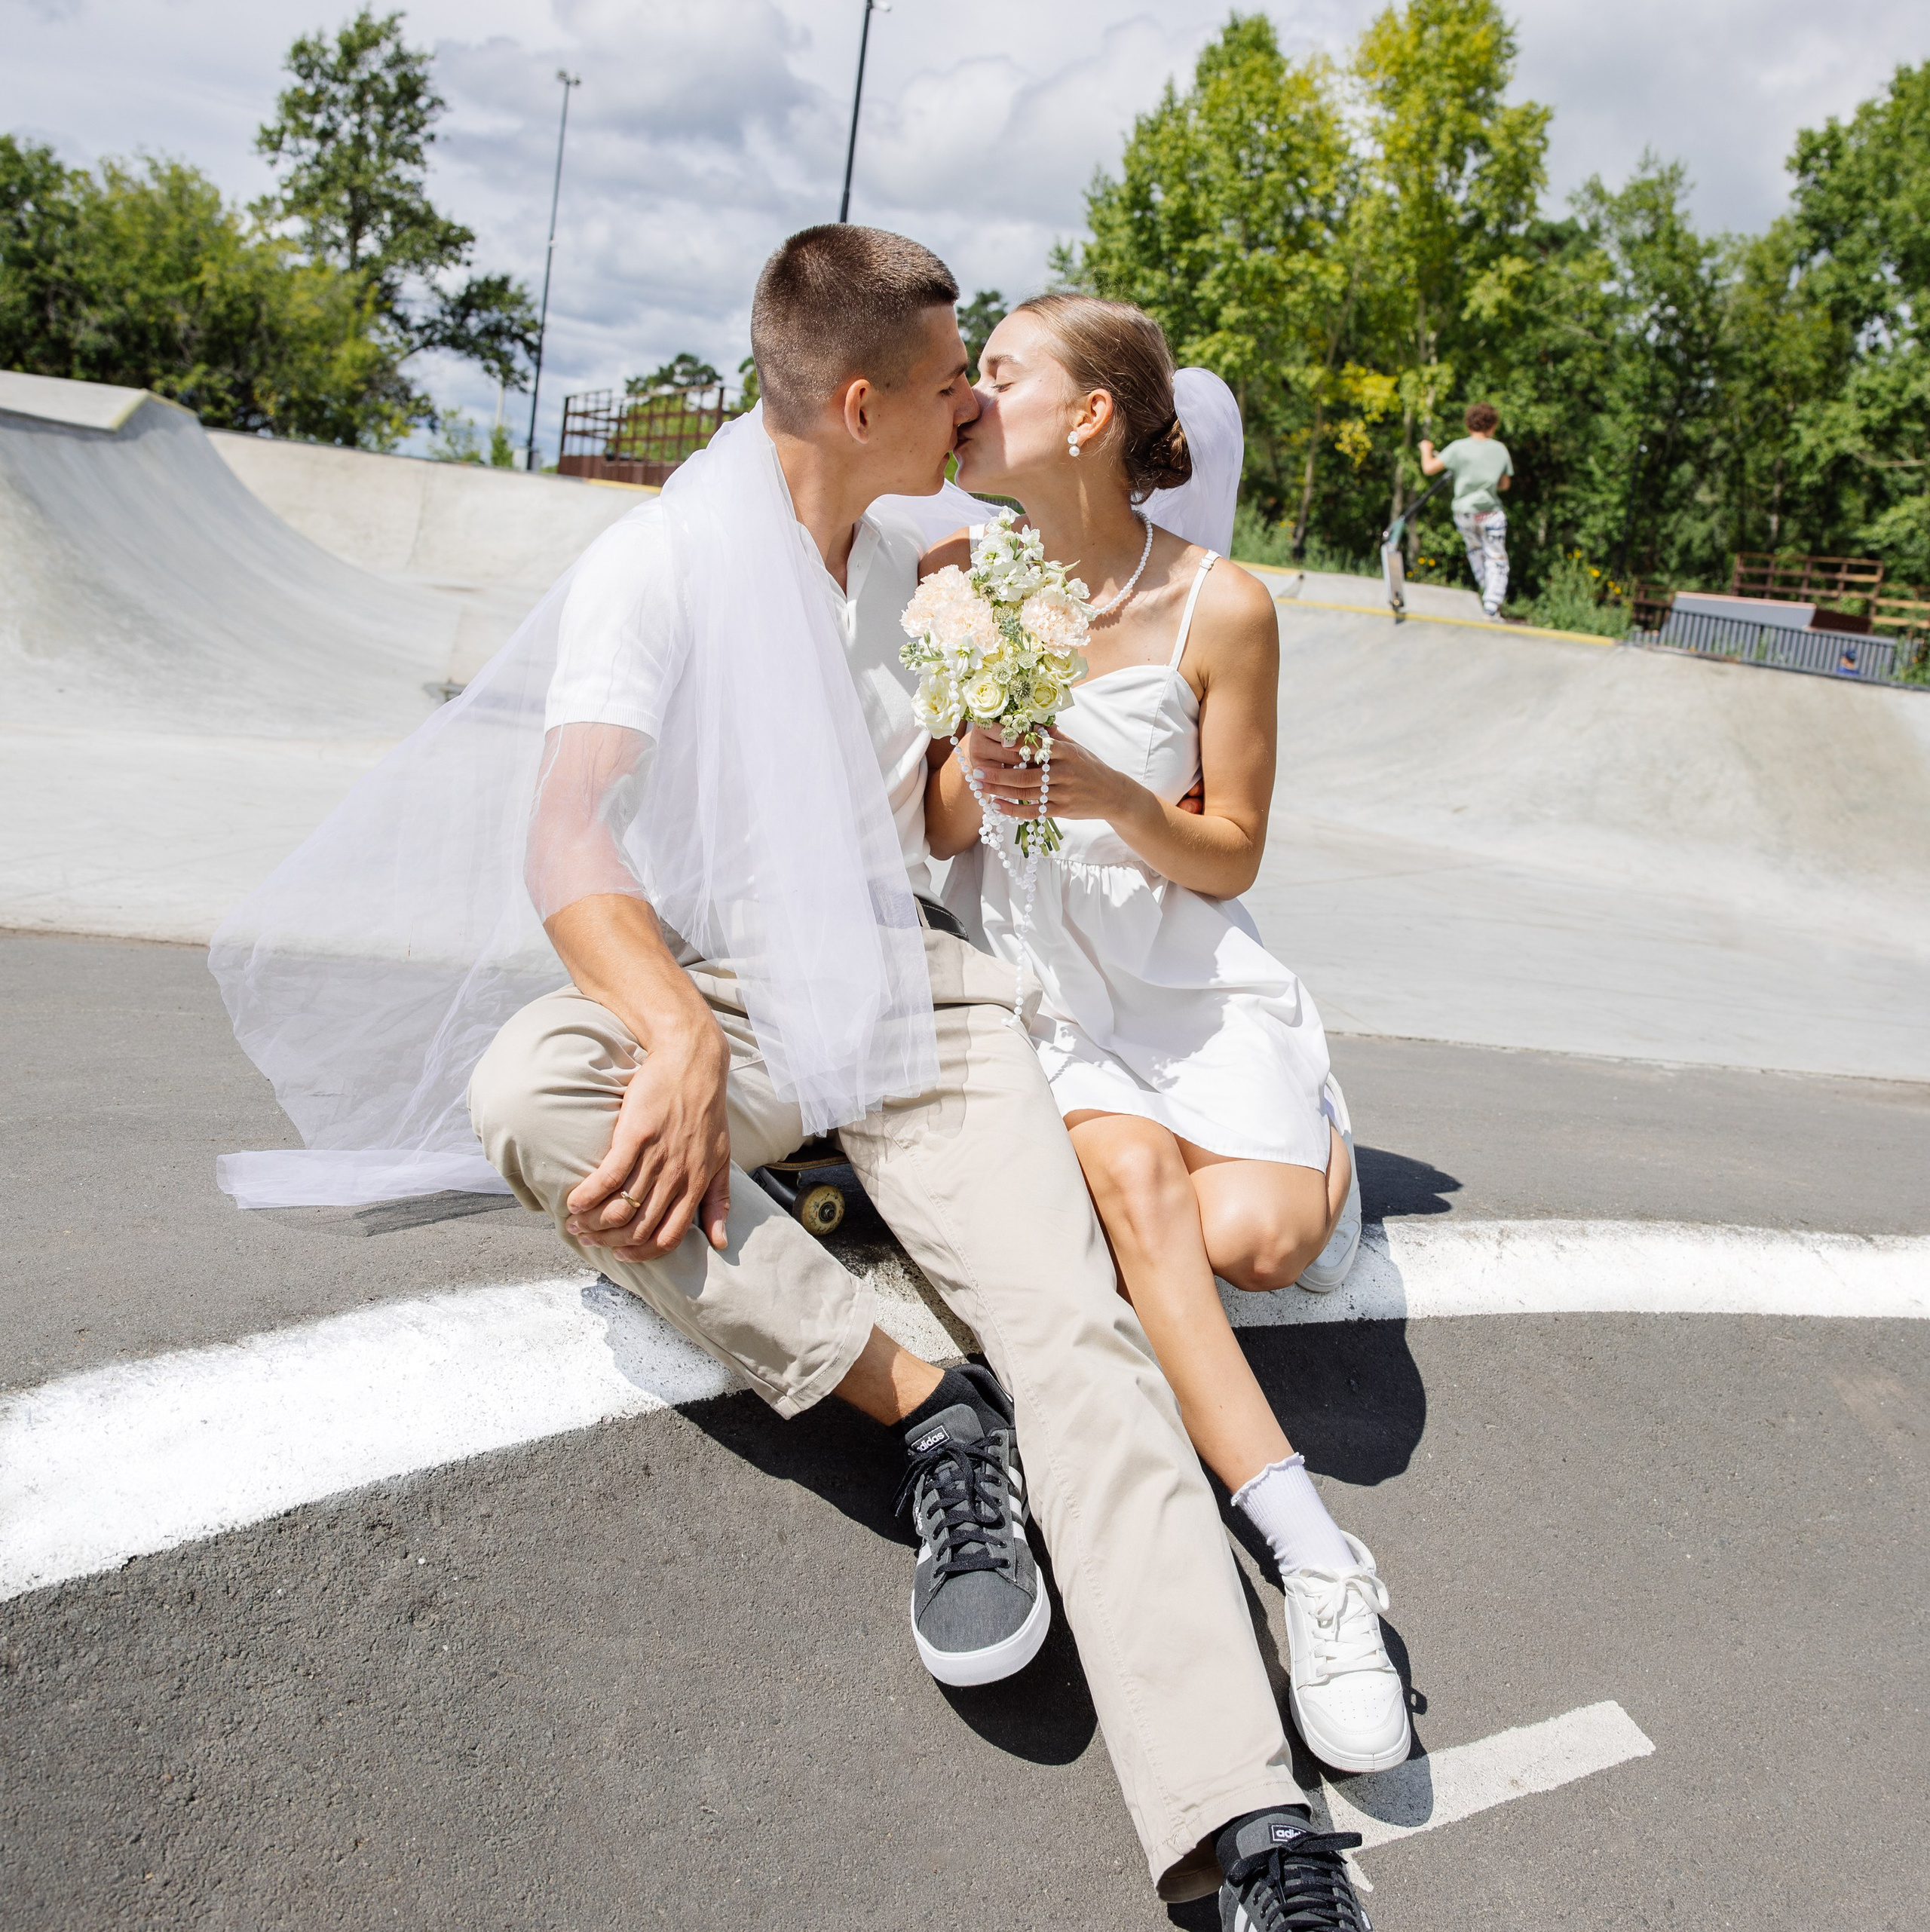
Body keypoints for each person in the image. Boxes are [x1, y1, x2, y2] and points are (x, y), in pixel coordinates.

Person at [448, 231, 1374, 1927]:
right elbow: (564, 830)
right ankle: (923, 1407)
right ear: (864, 399)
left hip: (912, 988)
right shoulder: (656, 566)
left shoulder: (951, 553)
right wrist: (670, 1027)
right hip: (721, 980)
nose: (971, 403)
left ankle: (1249, 1828)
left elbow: (1165, 507)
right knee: (527, 1090)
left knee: (1081, 1337)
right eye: (954, 378)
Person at [930, 293, 1411, 1805]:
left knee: (1256, 1243)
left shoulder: (1225, 605)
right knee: (1144, 1212)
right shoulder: (959, 577)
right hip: (1048, 980)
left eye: (994, 374)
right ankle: (1315, 1560)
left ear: (1085, 416)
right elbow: (936, 828)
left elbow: (1230, 853)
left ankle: (1314, 1123)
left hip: (1184, 967)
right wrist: (976, 767)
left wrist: (1109, 793)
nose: (965, 394)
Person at [1420, 401, 1514, 618]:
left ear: (1469, 425)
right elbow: (1505, 484)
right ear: (1493, 426)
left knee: (1476, 553)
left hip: (1465, 514)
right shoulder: (1500, 450)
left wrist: (1426, 450)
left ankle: (1487, 596)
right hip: (1490, 514)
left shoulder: (1458, 447)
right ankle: (1491, 605)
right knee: (1496, 558)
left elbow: (1429, 468)